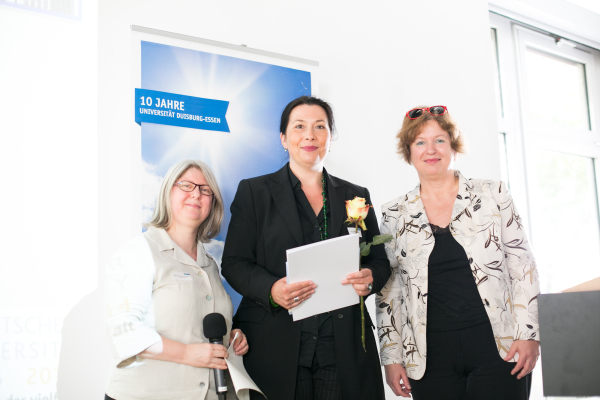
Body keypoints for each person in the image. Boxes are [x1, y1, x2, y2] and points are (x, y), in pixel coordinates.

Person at [221, 96, 391, 400]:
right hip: (274, 344)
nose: (309, 135)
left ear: (330, 138)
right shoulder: (254, 192)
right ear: (284, 138)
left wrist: (370, 278)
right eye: (299, 126)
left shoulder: (356, 196)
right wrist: (271, 289)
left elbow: (379, 263)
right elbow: (234, 263)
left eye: (319, 127)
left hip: (342, 347)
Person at [377, 106, 541, 400]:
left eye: (439, 140)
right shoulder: (394, 214)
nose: (431, 150)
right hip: (429, 359)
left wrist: (529, 333)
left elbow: (522, 265)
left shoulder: (493, 194)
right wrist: (391, 358)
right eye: (420, 142)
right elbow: (390, 292)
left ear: (453, 146)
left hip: (498, 347)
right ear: (409, 151)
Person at [104, 159, 249, 400]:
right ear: (167, 192)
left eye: (205, 190)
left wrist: (232, 337)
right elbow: (122, 330)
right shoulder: (138, 251)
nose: (196, 194)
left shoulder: (210, 265)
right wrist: (187, 353)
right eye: (186, 185)